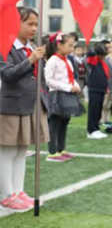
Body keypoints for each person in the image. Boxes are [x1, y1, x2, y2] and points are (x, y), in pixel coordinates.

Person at [0, 7, 49, 213]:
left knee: (22, 150)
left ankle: (18, 191)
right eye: (29, 24)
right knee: (8, 150)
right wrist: (30, 61)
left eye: (36, 25)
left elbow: (40, 77)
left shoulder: (32, 48)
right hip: (11, 106)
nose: (34, 28)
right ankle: (6, 195)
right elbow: (7, 75)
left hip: (30, 104)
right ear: (15, 23)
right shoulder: (5, 46)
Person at [44, 32, 81, 163]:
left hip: (67, 94)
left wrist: (76, 86)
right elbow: (49, 80)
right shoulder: (52, 61)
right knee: (54, 123)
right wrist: (68, 87)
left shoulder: (67, 61)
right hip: (57, 94)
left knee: (65, 121)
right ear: (59, 45)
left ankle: (61, 149)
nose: (72, 48)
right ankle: (52, 152)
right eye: (70, 45)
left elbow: (71, 77)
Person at [85, 42, 111, 140]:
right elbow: (90, 53)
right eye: (102, 55)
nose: (104, 57)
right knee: (93, 110)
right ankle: (91, 130)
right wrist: (97, 48)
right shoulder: (93, 61)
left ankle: (96, 128)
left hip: (101, 89)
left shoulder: (102, 63)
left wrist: (106, 87)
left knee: (98, 111)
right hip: (94, 89)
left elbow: (105, 77)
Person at [99, 40, 112, 125]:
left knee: (109, 103)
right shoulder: (102, 60)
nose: (110, 49)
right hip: (105, 85)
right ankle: (101, 118)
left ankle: (107, 118)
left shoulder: (111, 59)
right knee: (104, 103)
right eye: (108, 47)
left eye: (110, 47)